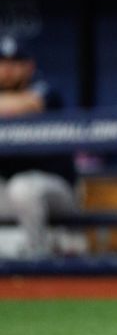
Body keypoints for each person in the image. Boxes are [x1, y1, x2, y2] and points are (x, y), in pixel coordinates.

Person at [0, 35, 84, 258]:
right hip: (9, 191)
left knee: (23, 187)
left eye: (15, 63)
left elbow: (30, 104)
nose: (7, 69)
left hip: (57, 190)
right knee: (16, 188)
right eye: (2, 63)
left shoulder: (47, 89)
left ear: (29, 66)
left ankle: (37, 259)